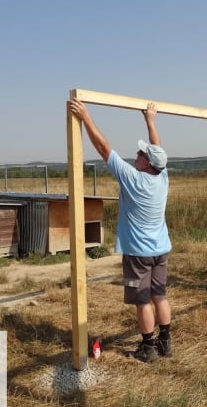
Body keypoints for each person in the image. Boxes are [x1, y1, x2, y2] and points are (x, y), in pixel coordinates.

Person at [68, 98, 172, 363]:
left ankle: (148, 347)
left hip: (139, 254)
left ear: (147, 163)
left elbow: (104, 148)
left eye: (140, 154)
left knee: (143, 301)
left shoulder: (133, 178)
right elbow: (157, 147)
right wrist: (150, 121)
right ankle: (166, 342)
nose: (136, 155)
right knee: (159, 296)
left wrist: (86, 117)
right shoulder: (162, 176)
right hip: (161, 249)